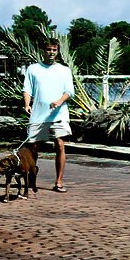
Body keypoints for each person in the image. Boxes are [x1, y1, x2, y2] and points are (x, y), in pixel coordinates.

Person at [23, 38, 75, 193]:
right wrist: (27, 104)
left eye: (54, 50)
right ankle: (31, 176)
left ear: (57, 51)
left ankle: (58, 181)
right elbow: (27, 89)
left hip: (59, 115)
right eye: (48, 49)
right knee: (33, 148)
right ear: (43, 51)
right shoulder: (33, 69)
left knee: (60, 144)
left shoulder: (64, 70)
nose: (51, 52)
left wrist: (59, 102)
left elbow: (69, 92)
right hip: (38, 115)